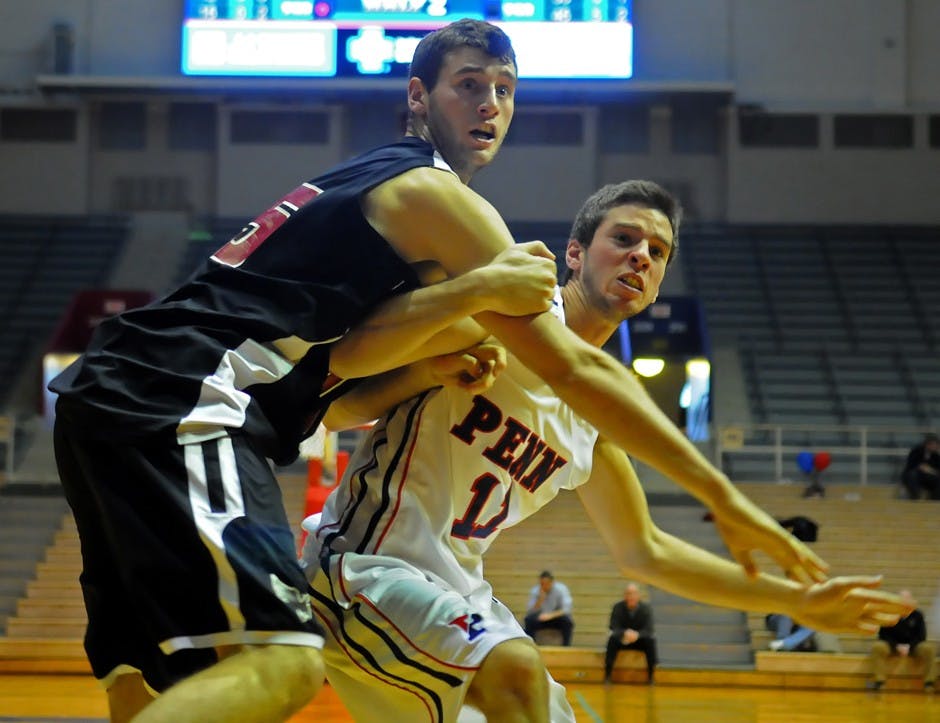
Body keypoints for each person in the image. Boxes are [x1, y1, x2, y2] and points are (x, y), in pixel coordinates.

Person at [46, 19, 565, 723]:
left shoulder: (357, 205)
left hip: (121, 390)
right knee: (284, 662)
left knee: (148, 680)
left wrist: (430, 366)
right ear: (419, 95)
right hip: (181, 389)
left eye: (505, 90)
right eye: (469, 85)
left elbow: (334, 382)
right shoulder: (430, 192)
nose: (490, 104)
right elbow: (563, 358)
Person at [303, 180, 914, 722]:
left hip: (454, 590)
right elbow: (334, 407)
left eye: (657, 251)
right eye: (623, 238)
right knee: (514, 671)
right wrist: (426, 372)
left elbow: (646, 552)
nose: (640, 256)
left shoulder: (595, 421)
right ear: (575, 253)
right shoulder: (499, 314)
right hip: (360, 565)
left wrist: (799, 600)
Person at [868, 589, 937, 692]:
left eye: (907, 598)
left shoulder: (918, 615)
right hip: (892, 646)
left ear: (911, 600)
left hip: (913, 647)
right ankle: (880, 682)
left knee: (929, 649)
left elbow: (921, 636)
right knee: (877, 647)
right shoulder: (889, 613)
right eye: (902, 598)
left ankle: (929, 683)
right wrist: (896, 646)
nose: (904, 601)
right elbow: (883, 635)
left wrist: (909, 647)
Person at [605, 582, 657, 684]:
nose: (631, 596)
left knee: (651, 641)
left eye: (633, 593)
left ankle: (651, 677)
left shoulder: (646, 608)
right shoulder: (617, 607)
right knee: (612, 640)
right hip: (623, 640)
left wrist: (637, 635)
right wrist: (625, 633)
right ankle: (607, 675)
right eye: (628, 593)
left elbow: (649, 629)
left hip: (639, 641)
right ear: (625, 596)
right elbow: (613, 626)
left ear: (638, 595)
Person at [524, 571, 575, 646]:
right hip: (541, 618)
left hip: (556, 617)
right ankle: (532, 646)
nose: (544, 586)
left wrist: (551, 615)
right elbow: (530, 610)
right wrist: (540, 600)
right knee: (528, 620)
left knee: (567, 622)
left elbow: (566, 609)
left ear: (552, 582)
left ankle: (566, 647)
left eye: (546, 583)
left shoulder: (561, 589)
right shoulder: (535, 591)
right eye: (542, 584)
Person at [900, 433, 940, 500]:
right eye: (934, 444)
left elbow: (937, 469)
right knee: (913, 475)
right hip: (915, 476)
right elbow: (910, 466)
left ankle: (935, 499)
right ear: (928, 444)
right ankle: (915, 497)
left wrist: (931, 470)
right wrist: (920, 467)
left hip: (929, 478)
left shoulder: (936, 455)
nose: (936, 446)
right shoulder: (916, 451)